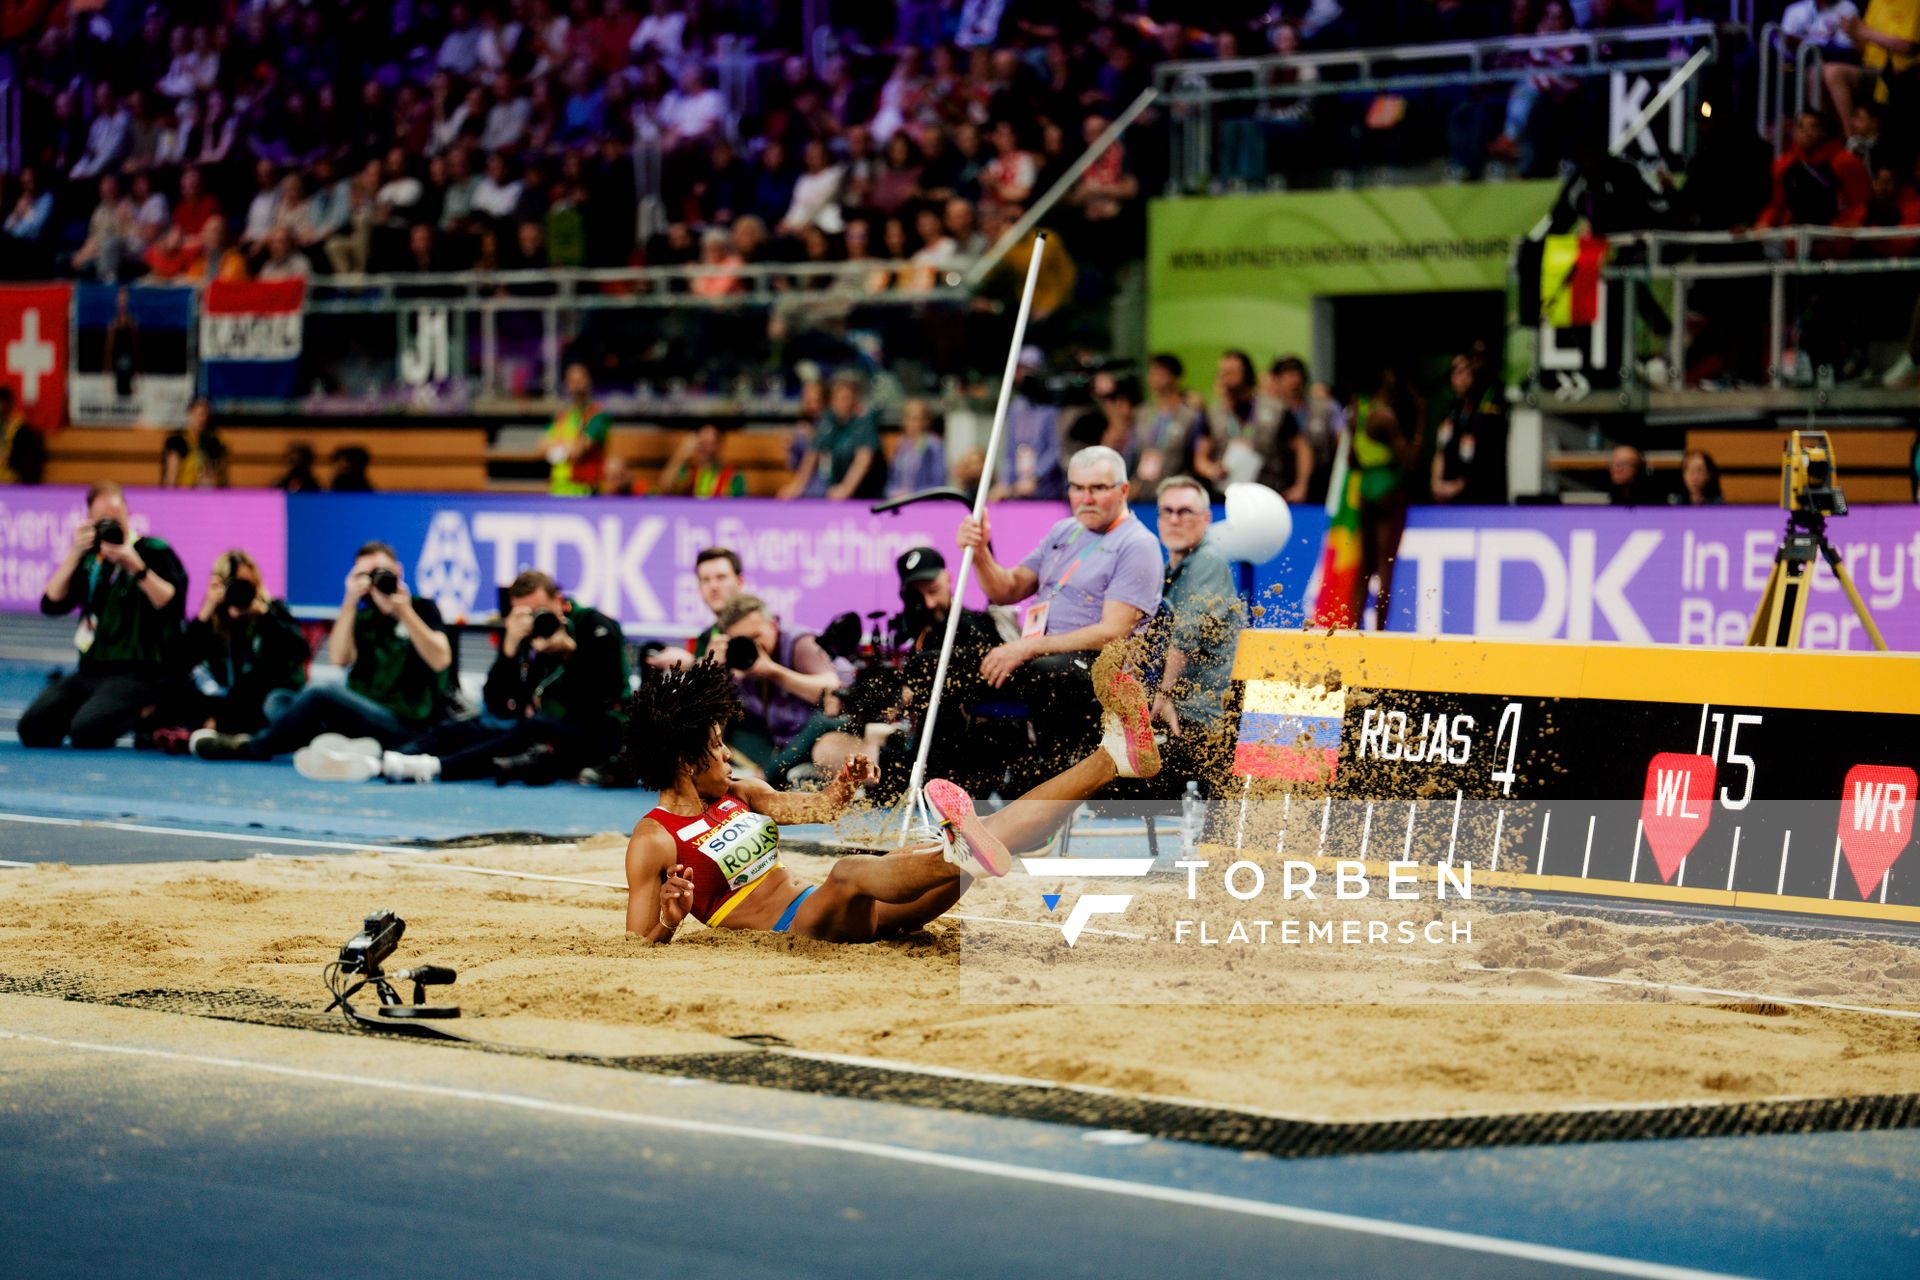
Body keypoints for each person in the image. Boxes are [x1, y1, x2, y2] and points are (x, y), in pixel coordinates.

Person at [621, 648, 1160, 943]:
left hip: (854, 913)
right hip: (796, 926)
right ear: (687, 763)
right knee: (849, 871)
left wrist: (845, 785)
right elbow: (635, 942)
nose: (727, 756)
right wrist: (671, 919)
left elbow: (821, 810)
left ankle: (1112, 758)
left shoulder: (740, 793)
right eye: (717, 748)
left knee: (980, 841)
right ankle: (959, 847)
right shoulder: (654, 838)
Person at [956, 445, 1164, 777]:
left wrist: (1026, 647)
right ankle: (949, 779)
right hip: (1039, 655)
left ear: (1123, 490)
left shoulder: (1138, 544)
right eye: (1077, 488)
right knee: (941, 664)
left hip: (1094, 668)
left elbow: (1113, 633)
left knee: (1049, 672)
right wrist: (980, 551)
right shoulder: (1065, 531)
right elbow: (1006, 590)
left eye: (1098, 488)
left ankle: (1050, 783)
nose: (1086, 498)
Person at [190, 542, 454, 764]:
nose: (374, 580)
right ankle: (350, 748)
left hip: (404, 721)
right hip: (360, 712)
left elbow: (441, 658)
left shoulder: (422, 608)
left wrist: (403, 611)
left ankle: (251, 748)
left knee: (320, 693)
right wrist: (350, 601)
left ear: (398, 571)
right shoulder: (363, 617)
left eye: (379, 572)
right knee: (278, 701)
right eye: (365, 574)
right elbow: (340, 659)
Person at [364, 571, 629, 785]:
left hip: (598, 732)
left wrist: (569, 653)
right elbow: (497, 702)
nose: (535, 619)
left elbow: (602, 695)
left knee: (531, 726)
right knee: (458, 727)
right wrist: (510, 647)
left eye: (539, 610)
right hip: (537, 728)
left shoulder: (595, 626)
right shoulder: (528, 636)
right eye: (524, 613)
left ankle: (433, 767)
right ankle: (383, 761)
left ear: (559, 600)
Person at [21, 483, 188, 749]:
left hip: (138, 672)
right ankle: (91, 711)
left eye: (117, 516)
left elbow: (171, 602)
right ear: (91, 521)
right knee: (32, 729)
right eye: (103, 519)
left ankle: (148, 712)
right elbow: (50, 603)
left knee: (87, 732)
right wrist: (75, 552)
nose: (112, 524)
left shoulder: (153, 550)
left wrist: (134, 566)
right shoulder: (92, 561)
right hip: (92, 670)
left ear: (128, 514)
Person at [1147, 476, 1245, 792]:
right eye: (1167, 511)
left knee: (1110, 767)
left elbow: (1186, 637)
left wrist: (1164, 696)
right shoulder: (1166, 573)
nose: (1175, 519)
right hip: (1173, 709)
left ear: (1206, 519)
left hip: (1200, 721)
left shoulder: (1208, 563)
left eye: (1185, 511)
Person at [715, 592, 845, 784]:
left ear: (773, 625)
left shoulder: (799, 643)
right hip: (780, 741)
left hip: (825, 730)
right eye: (744, 641)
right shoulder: (736, 657)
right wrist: (715, 669)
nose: (754, 646)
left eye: (757, 636)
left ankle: (768, 777)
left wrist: (774, 672)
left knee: (821, 721)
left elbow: (831, 689)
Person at [181, 549, 310, 735]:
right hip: (222, 698)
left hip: (262, 697)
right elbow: (182, 661)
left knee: (259, 689)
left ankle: (216, 728)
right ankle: (216, 727)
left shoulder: (273, 611)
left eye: (246, 585)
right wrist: (207, 610)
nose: (239, 592)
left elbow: (300, 651)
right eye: (233, 585)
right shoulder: (212, 620)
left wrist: (265, 616)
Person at [1352, 370, 1419, 631]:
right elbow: (1410, 461)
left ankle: (1355, 626)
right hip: (1388, 491)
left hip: (1365, 489)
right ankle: (1380, 631)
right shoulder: (1386, 418)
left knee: (1364, 569)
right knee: (1385, 566)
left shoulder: (1357, 411)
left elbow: (1351, 459)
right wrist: (1422, 416)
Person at [1429, 350, 1508, 505]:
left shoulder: (1487, 411)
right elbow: (1440, 452)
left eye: (1467, 371)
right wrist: (1436, 483)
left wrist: (1458, 486)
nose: (1462, 377)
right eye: (1457, 372)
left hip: (1477, 495)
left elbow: (1487, 460)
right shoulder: (1449, 411)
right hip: (1446, 493)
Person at [648, 545, 746, 671]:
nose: (713, 586)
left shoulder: (759, 627)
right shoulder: (705, 638)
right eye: (705, 579)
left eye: (721, 577)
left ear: (740, 582)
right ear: (699, 588)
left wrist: (692, 664)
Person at [789, 373, 883, 500]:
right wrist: (797, 486)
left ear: (855, 400)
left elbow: (863, 459)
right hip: (835, 491)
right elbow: (813, 453)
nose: (843, 403)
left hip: (865, 496)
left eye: (847, 398)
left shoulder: (864, 421)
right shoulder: (828, 421)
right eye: (838, 399)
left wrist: (845, 489)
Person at [988, 346, 1064, 501]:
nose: (1023, 375)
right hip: (1019, 486)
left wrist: (1036, 476)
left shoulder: (1051, 407)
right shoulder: (1016, 406)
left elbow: (1056, 449)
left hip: (1047, 490)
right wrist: (1005, 482)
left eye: (1029, 369)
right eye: (1020, 369)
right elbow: (1009, 450)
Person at [546, 361, 610, 495]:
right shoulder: (562, 416)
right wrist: (567, 447)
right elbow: (541, 447)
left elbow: (578, 451)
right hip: (558, 488)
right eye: (572, 381)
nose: (576, 387)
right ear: (566, 384)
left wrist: (557, 448)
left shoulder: (597, 416)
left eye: (580, 381)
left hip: (585, 491)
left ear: (589, 383)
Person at [656, 423, 745, 498]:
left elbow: (740, 506)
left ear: (719, 445)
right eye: (702, 444)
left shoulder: (733, 475)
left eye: (711, 444)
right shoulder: (688, 471)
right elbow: (665, 488)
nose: (706, 450)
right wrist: (681, 455)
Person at [885, 398, 948, 498]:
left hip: (923, 503)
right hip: (897, 501)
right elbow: (891, 479)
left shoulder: (934, 445)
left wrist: (912, 494)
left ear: (927, 421)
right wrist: (892, 492)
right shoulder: (900, 444)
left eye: (918, 419)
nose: (914, 424)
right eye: (910, 418)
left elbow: (938, 482)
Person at [160, 397, 228, 488]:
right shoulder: (177, 441)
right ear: (189, 414)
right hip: (182, 494)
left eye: (204, 414)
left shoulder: (213, 442)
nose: (201, 419)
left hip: (203, 495)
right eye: (198, 414)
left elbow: (214, 476)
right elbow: (170, 478)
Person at [0, 386, 46, 485]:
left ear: (8, 404)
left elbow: (27, 463)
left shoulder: (22, 430)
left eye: (1, 403)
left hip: (14, 484)